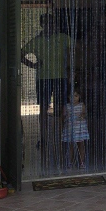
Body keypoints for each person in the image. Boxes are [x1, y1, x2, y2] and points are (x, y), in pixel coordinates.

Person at [21, 13, 71, 166]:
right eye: (48, 23)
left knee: (62, 108)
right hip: (43, 78)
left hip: (61, 77)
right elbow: (21, 54)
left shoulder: (63, 38)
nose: (51, 26)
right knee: (43, 108)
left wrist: (70, 67)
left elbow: (77, 49)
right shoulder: (37, 41)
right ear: (42, 25)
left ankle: (63, 137)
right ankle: (43, 138)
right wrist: (33, 65)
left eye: (53, 23)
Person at [62, 89, 89, 169]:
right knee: (70, 146)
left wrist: (83, 116)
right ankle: (70, 162)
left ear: (79, 97)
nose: (73, 98)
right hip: (70, 129)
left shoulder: (81, 105)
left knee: (81, 145)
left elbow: (84, 114)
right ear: (68, 97)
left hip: (80, 129)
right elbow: (63, 116)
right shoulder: (67, 106)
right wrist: (65, 117)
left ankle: (82, 163)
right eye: (71, 96)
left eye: (76, 96)